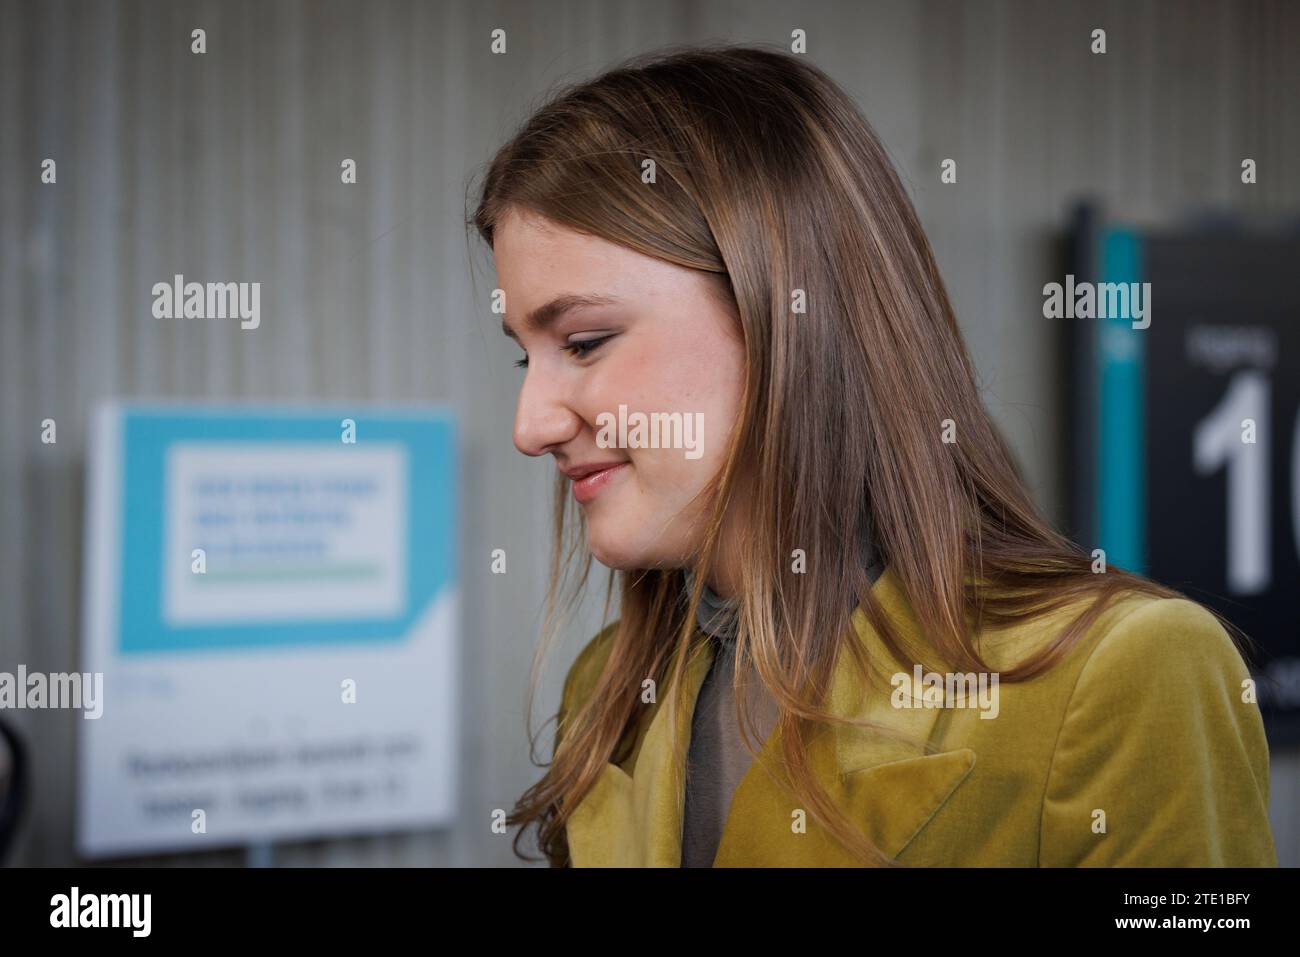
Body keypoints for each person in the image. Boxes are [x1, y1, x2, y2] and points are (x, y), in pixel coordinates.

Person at [470, 43, 1277, 867]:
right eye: (525, 356)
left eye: (585, 341)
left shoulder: (1124, 672)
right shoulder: (608, 692)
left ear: (786, 313)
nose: (531, 426)